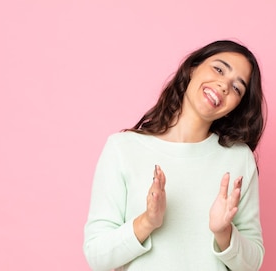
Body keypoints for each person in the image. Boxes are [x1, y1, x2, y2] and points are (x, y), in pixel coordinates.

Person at [83, 40, 266, 271]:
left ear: (236, 106)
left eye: (237, 88)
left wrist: (224, 232)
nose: (223, 86)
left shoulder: (239, 160)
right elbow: (97, 257)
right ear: (192, 68)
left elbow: (252, 264)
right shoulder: (123, 148)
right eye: (219, 69)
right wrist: (147, 221)